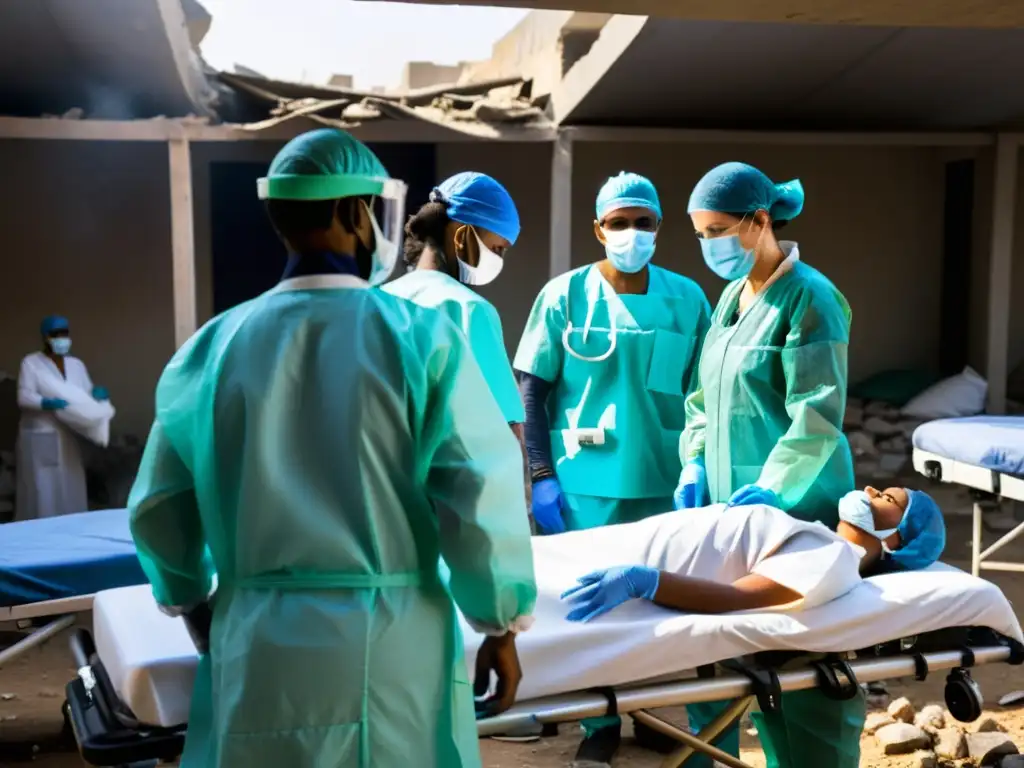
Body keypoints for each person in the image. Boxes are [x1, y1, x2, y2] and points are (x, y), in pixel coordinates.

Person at [127, 128, 537, 768]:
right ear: (354, 212)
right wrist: (500, 622)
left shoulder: (209, 350)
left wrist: (191, 602)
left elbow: (159, 505)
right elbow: (479, 492)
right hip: (392, 643)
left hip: (254, 646)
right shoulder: (422, 340)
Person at [513, 172, 711, 766]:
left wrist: (696, 463)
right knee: (592, 611)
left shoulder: (687, 298)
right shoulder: (563, 296)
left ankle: (649, 713)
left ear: (659, 228)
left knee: (657, 605)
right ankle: (599, 725)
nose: (631, 233)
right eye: (619, 222)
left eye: (643, 222)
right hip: (585, 483)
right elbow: (531, 392)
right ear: (598, 229)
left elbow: (704, 391)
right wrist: (542, 476)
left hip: (664, 479)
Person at [674, 161, 859, 768]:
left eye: (719, 230)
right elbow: (703, 398)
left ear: (760, 221)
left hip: (796, 512)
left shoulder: (812, 297)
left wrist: (775, 490)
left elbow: (816, 417)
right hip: (726, 514)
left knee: (802, 674)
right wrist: (694, 461)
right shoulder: (730, 297)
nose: (709, 246)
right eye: (700, 234)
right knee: (727, 663)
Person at [561, 486, 946, 622]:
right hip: (629, 543)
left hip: (628, 562)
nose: (869, 488)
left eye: (886, 498)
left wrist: (643, 581)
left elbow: (734, 599)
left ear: (896, 541)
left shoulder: (836, 560)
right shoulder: (825, 541)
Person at [383, 172, 530, 514]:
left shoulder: (379, 301)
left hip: (383, 495)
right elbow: (506, 432)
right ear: (463, 236)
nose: (499, 260)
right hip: (447, 500)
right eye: (497, 248)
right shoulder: (468, 309)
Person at [15, 315, 109, 521]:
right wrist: (46, 403)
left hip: (68, 434)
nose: (61, 338)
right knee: (43, 490)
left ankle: (73, 529)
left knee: (71, 485)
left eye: (64, 333)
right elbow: (24, 396)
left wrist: (96, 396)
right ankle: (41, 535)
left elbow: (83, 395)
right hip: (42, 435)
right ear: (45, 337)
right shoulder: (31, 363)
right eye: (56, 334)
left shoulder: (76, 365)